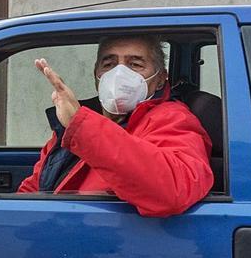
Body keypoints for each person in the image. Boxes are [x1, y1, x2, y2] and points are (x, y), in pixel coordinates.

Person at [18, 35, 214, 217]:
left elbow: (173, 191)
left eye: (135, 64)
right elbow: (36, 186)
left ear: (161, 78)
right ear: (96, 74)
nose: (119, 74)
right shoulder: (81, 119)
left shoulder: (173, 119)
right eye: (109, 64)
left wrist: (82, 127)